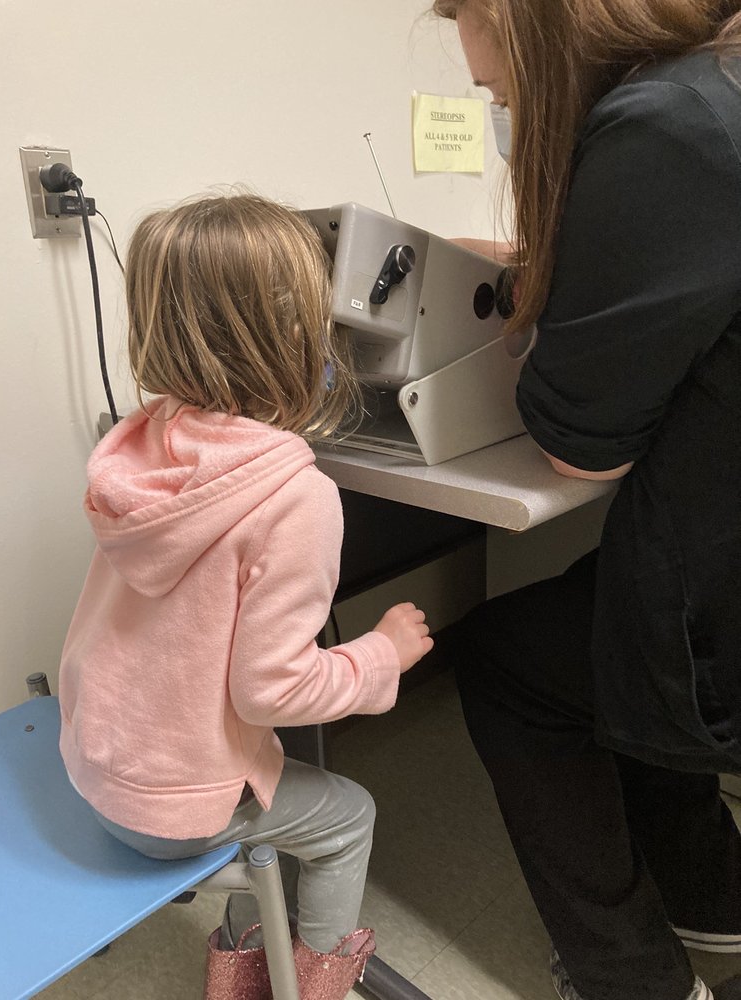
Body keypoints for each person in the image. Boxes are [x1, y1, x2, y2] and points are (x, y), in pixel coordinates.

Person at [432, 2, 741, 1000]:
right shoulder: (716, 93)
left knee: (506, 658)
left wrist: (548, 318)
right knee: (598, 599)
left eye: (499, 92)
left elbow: (578, 454)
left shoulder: (661, 127)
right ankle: (712, 895)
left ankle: (632, 978)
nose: (502, 111)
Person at [57, 192, 434, 1000]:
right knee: (348, 817)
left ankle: (243, 952)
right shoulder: (296, 498)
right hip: (169, 808)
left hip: (95, 761)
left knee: (268, 788)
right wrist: (381, 655)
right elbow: (273, 692)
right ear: (297, 335)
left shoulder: (139, 444)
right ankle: (307, 987)